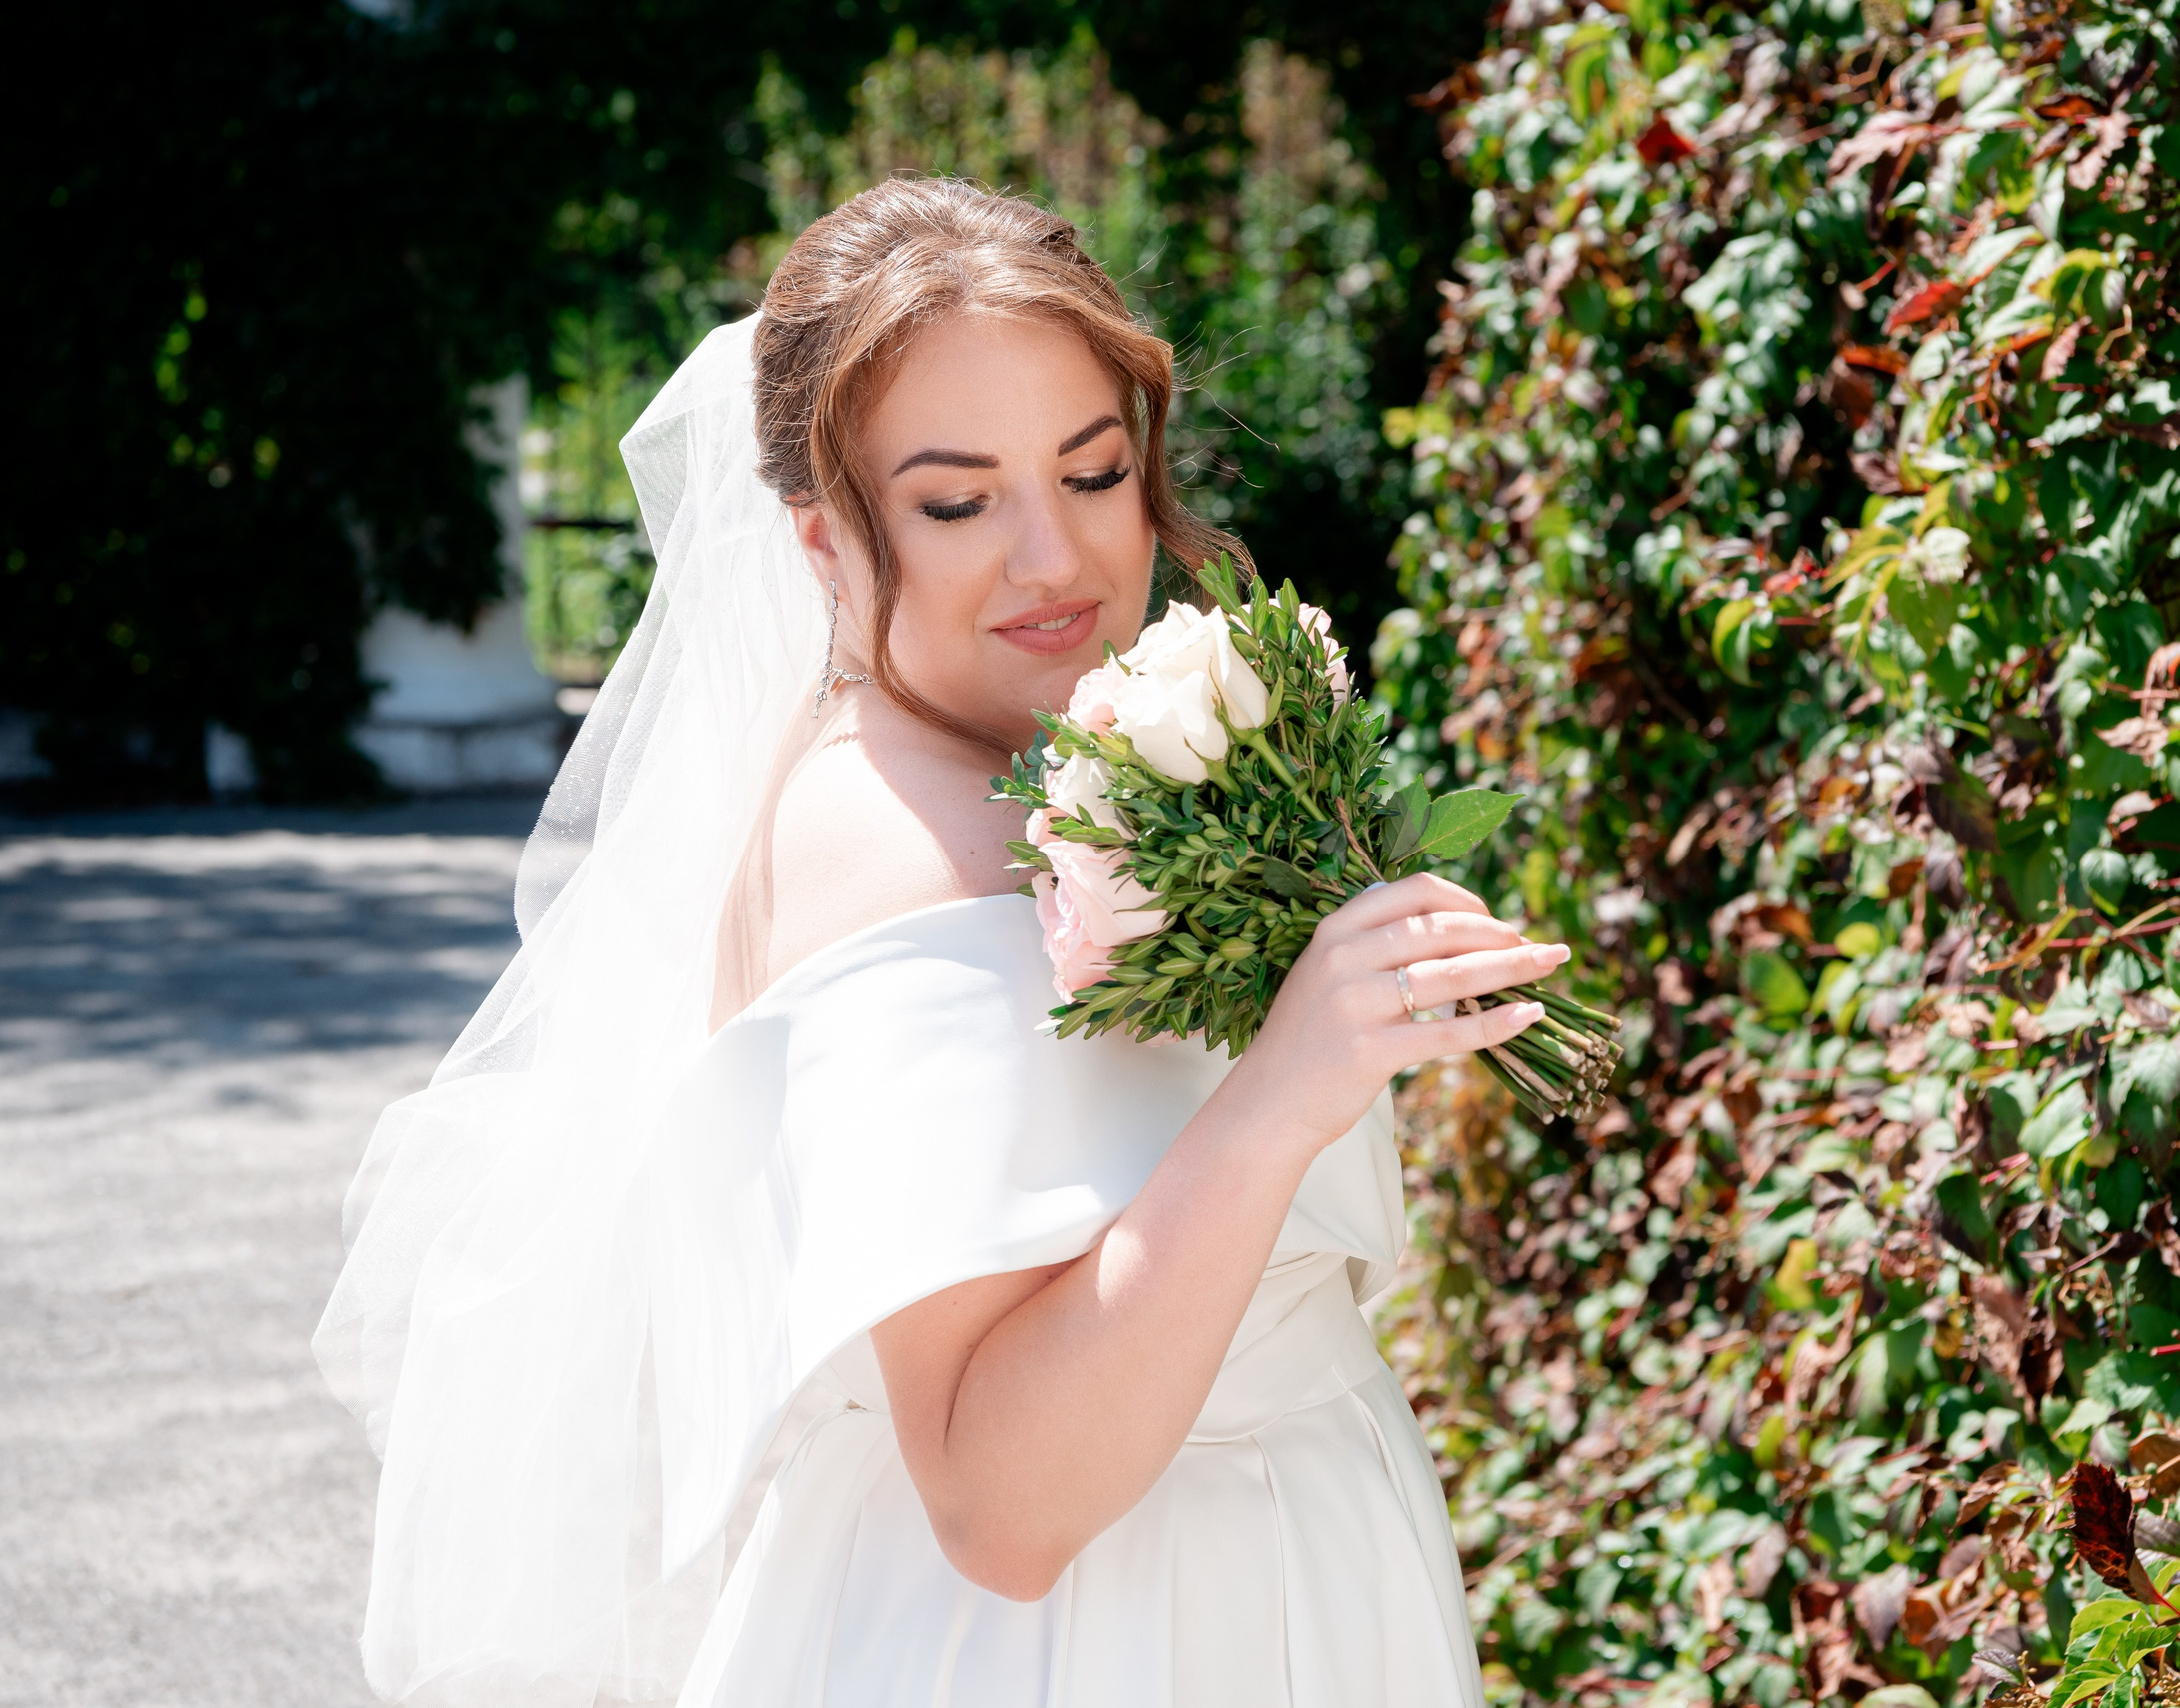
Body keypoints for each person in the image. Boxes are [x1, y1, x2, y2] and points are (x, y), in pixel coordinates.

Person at [315, 177, 1558, 1707]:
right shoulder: (897, 851)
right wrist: (1284, 1091)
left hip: (1293, 1559)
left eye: (1094, 471)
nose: (1057, 557)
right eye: (958, 503)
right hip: (1097, 1639)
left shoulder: (1054, 758)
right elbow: (1000, 1505)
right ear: (823, 542)